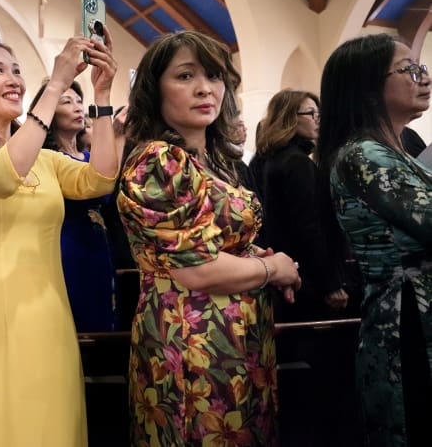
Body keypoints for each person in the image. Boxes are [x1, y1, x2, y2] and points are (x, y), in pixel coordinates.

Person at [0, 31, 118, 446]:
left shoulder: (46, 159)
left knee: (51, 428)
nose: (14, 78)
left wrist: (101, 98)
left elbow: (100, 178)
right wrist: (56, 86)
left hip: (48, 315)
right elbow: (1, 177)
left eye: (16, 70)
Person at [116, 31, 301, 446]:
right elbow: (197, 269)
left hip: (238, 339)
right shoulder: (158, 160)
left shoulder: (212, 159)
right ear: (153, 89)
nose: (205, 88)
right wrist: (272, 269)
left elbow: (222, 242)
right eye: (185, 76)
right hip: (191, 342)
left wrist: (257, 258)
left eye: (214, 76)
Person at [316, 34, 431, 447]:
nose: (424, 78)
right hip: (407, 319)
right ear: (367, 86)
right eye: (409, 70)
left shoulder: (389, 149)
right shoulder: (364, 155)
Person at [250, 89, 348, 321]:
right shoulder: (296, 162)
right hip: (307, 277)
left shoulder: (272, 158)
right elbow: (309, 226)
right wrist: (330, 283)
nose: (318, 119)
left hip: (288, 269)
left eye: (319, 113)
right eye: (310, 113)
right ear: (290, 117)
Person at [28, 79, 116, 332]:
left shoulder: (90, 157)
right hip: (66, 243)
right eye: (67, 102)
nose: (78, 107)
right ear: (50, 113)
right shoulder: (44, 158)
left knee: (103, 314)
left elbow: (106, 195)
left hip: (97, 241)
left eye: (79, 101)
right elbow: (88, 193)